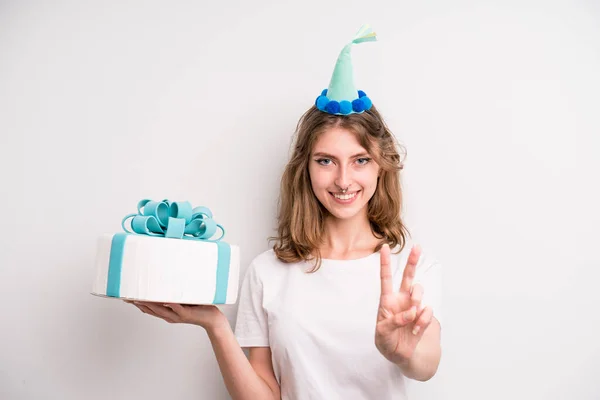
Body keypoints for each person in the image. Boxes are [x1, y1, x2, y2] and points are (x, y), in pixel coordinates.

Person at [129, 24, 442, 399]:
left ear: (381, 166)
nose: (344, 180)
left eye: (360, 160)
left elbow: (426, 365)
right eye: (326, 160)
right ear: (305, 168)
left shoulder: (410, 268)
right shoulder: (267, 272)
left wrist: (402, 352)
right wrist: (216, 325)